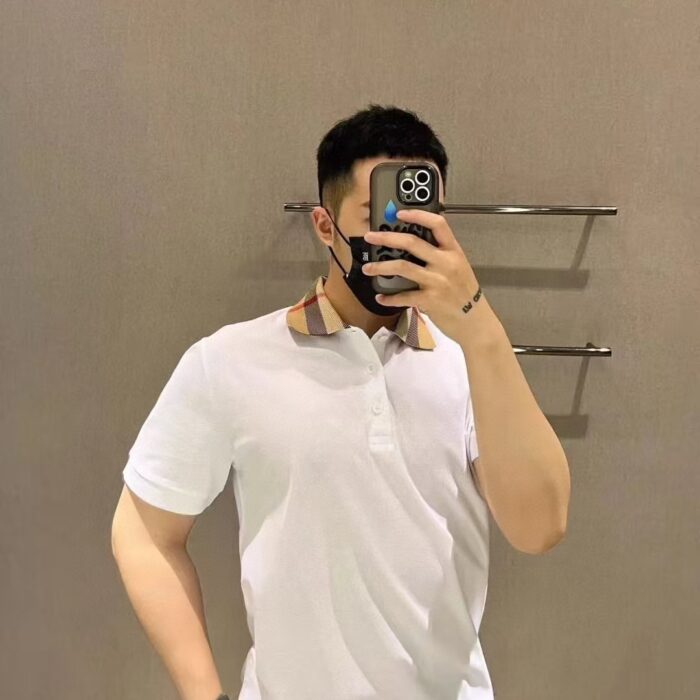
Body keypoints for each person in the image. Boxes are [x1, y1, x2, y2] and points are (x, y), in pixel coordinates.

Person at [112, 104, 560, 699]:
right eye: (382, 216)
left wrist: (480, 328)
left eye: (422, 218)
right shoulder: (229, 361)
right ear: (326, 227)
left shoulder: (471, 363)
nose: (402, 236)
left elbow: (540, 528)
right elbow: (144, 531)